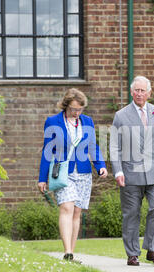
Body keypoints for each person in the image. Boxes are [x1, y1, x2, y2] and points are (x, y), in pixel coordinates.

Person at [38, 88, 108, 262]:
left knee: (77, 212)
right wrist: (42, 178)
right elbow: (47, 151)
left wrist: (100, 166)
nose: (76, 113)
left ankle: (72, 253)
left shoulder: (87, 122)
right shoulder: (53, 122)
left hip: (83, 172)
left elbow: (93, 146)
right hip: (63, 172)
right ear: (66, 106)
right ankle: (67, 251)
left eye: (80, 109)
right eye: (73, 109)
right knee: (66, 208)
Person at [110, 76, 154, 266]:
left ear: (149, 92)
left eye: (143, 90)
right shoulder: (121, 115)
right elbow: (114, 147)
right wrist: (118, 171)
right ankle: (132, 253)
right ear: (131, 92)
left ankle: (152, 249)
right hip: (130, 174)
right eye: (136, 90)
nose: (139, 93)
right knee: (131, 214)